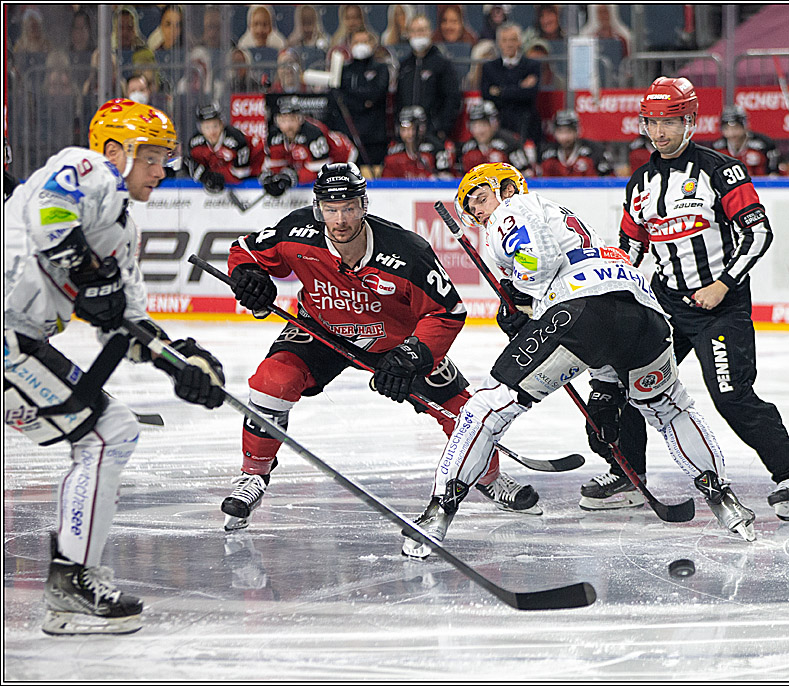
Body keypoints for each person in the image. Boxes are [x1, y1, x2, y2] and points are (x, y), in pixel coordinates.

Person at [401, 162, 760, 559]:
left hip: (580, 311)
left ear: (505, 187)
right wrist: (605, 389)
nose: (481, 213)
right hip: (645, 317)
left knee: (488, 406)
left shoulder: (515, 208)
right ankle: (724, 500)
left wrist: (520, 298)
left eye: (482, 198)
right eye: (473, 209)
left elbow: (539, 259)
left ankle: (438, 512)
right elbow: (603, 316)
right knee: (669, 407)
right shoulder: (571, 221)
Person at [4, 98, 225, 635]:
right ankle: (70, 583)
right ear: (114, 150)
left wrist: (181, 362)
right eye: (150, 156)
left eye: (165, 159)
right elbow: (50, 214)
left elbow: (125, 322)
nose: (161, 170)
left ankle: (71, 580)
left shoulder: (122, 231)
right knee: (108, 433)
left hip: (18, 339)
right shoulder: (86, 167)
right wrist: (87, 273)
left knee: (109, 431)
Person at [220, 162, 540, 530]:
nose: (340, 219)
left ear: (364, 205)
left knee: (462, 413)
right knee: (271, 382)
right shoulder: (296, 231)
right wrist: (249, 278)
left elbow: (448, 311)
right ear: (317, 208)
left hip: (396, 341)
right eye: (331, 209)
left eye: (350, 208)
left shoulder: (407, 252)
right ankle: (253, 475)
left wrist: (412, 355)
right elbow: (245, 251)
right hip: (322, 330)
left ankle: (487, 477)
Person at [614, 77, 789, 521]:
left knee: (731, 396)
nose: (659, 131)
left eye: (669, 121)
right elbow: (630, 249)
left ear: (690, 121)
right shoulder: (640, 181)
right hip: (667, 305)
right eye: (652, 121)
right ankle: (627, 475)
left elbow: (759, 232)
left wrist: (723, 284)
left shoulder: (720, 170)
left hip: (719, 309)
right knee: (627, 383)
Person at [260, 97, 354, 196]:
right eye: (283, 121)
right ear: (277, 121)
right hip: (315, 162)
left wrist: (294, 176)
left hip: (343, 158)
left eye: (292, 120)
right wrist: (274, 179)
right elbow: (276, 164)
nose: (288, 126)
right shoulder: (274, 135)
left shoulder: (313, 133)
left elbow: (321, 170)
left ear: (300, 119)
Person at [324, 29, 389, 169]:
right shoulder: (343, 70)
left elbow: (375, 95)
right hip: (349, 137)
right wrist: (362, 101)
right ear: (350, 45)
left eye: (364, 42)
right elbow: (336, 98)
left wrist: (350, 97)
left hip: (374, 139)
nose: (361, 45)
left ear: (372, 44)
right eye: (357, 42)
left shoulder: (381, 68)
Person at [395, 16, 462, 143]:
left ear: (430, 32)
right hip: (407, 134)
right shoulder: (404, 66)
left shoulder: (442, 64)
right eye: (414, 31)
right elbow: (399, 100)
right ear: (409, 34)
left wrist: (441, 128)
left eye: (422, 30)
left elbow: (452, 98)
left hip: (433, 133)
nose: (418, 34)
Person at [480, 23, 542, 146]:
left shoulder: (532, 65)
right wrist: (519, 88)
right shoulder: (489, 67)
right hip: (499, 125)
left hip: (526, 125)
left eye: (513, 39)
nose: (509, 44)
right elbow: (486, 95)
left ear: (520, 42)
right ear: (498, 43)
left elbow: (530, 94)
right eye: (504, 40)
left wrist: (500, 91)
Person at [186, 102, 263, 193]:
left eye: (215, 126)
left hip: (245, 191)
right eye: (207, 127)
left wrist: (219, 176)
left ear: (222, 124)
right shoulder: (195, 144)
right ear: (200, 128)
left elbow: (241, 175)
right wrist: (207, 177)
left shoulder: (236, 141)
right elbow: (193, 168)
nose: (212, 132)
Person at [380, 106, 455, 179]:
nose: (410, 133)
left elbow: (447, 180)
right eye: (405, 129)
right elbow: (386, 183)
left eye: (414, 127)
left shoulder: (436, 148)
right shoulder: (394, 151)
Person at [458, 100, 529, 174]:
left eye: (483, 125)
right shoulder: (466, 148)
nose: (479, 131)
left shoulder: (509, 143)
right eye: (475, 126)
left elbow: (526, 174)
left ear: (494, 124)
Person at [539, 109, 614, 177]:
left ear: (577, 131)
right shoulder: (547, 154)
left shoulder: (594, 151)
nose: (564, 137)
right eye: (560, 131)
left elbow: (609, 181)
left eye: (569, 131)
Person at [711, 105, 780, 176]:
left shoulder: (764, 144)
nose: (732, 133)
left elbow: (774, 175)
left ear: (744, 126)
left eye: (736, 128)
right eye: (727, 128)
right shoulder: (717, 147)